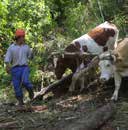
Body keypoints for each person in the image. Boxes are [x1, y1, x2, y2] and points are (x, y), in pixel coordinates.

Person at [4, 29, 34, 106]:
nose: (23, 38)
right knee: (16, 85)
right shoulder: (12, 47)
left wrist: (32, 52)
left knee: (25, 81)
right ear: (18, 37)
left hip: (24, 67)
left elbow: (30, 57)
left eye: (24, 37)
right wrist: (7, 66)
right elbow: (7, 58)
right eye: (22, 37)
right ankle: (20, 102)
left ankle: (30, 90)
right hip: (15, 68)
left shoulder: (26, 47)